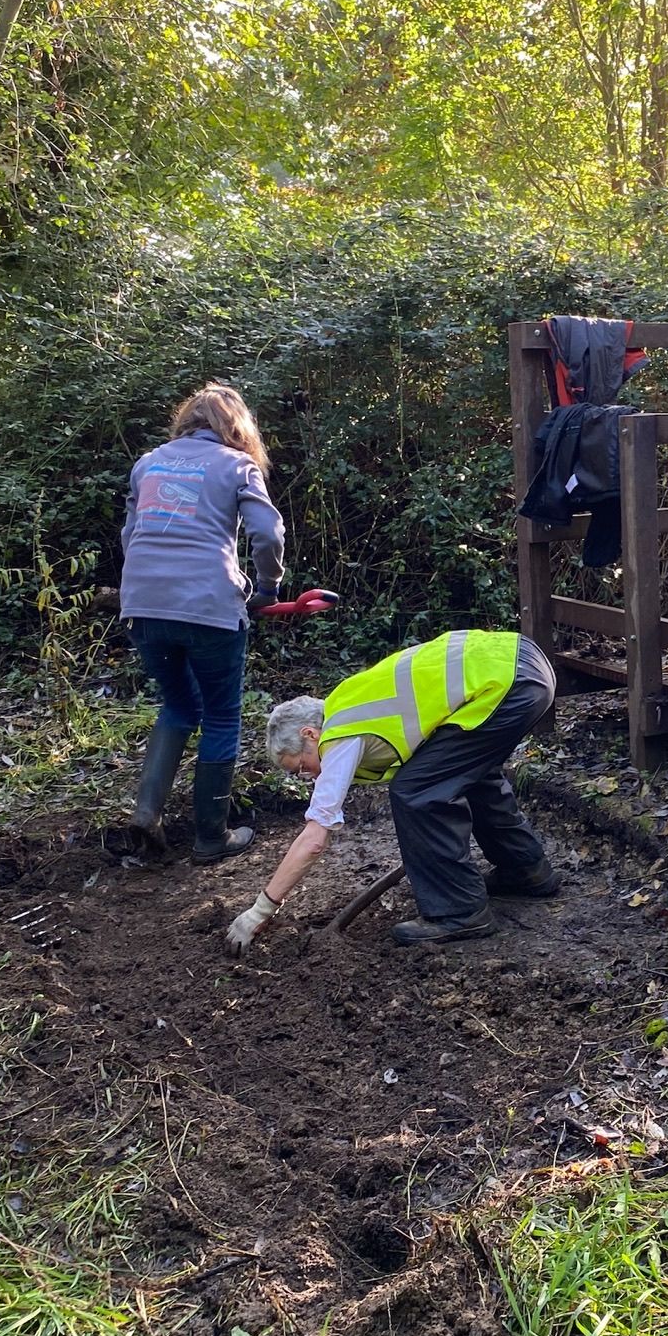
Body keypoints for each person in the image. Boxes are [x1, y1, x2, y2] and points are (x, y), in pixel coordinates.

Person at [224, 629, 558, 952]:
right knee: (464, 774)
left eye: (299, 766)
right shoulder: (352, 700)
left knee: (417, 790)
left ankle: (460, 913)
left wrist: (260, 910)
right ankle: (525, 870)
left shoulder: (339, 734)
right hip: (523, 663)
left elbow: (314, 840)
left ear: (310, 734)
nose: (306, 776)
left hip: (506, 684)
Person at [120, 382, 286, 862]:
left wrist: (153, 587)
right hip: (209, 606)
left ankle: (146, 814)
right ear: (237, 427)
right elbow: (267, 533)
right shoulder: (238, 465)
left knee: (177, 705)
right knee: (220, 714)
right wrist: (268, 586)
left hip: (142, 606)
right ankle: (211, 838)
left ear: (186, 422)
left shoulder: (149, 463)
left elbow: (131, 535)